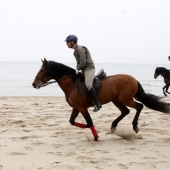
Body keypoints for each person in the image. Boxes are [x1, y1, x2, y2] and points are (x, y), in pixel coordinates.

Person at [65, 35, 102, 112]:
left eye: (67, 42)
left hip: (89, 69)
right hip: (83, 69)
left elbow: (83, 62)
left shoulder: (80, 49)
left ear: (72, 42)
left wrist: (77, 69)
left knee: (88, 85)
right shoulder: (75, 51)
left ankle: (98, 103)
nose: (66, 44)